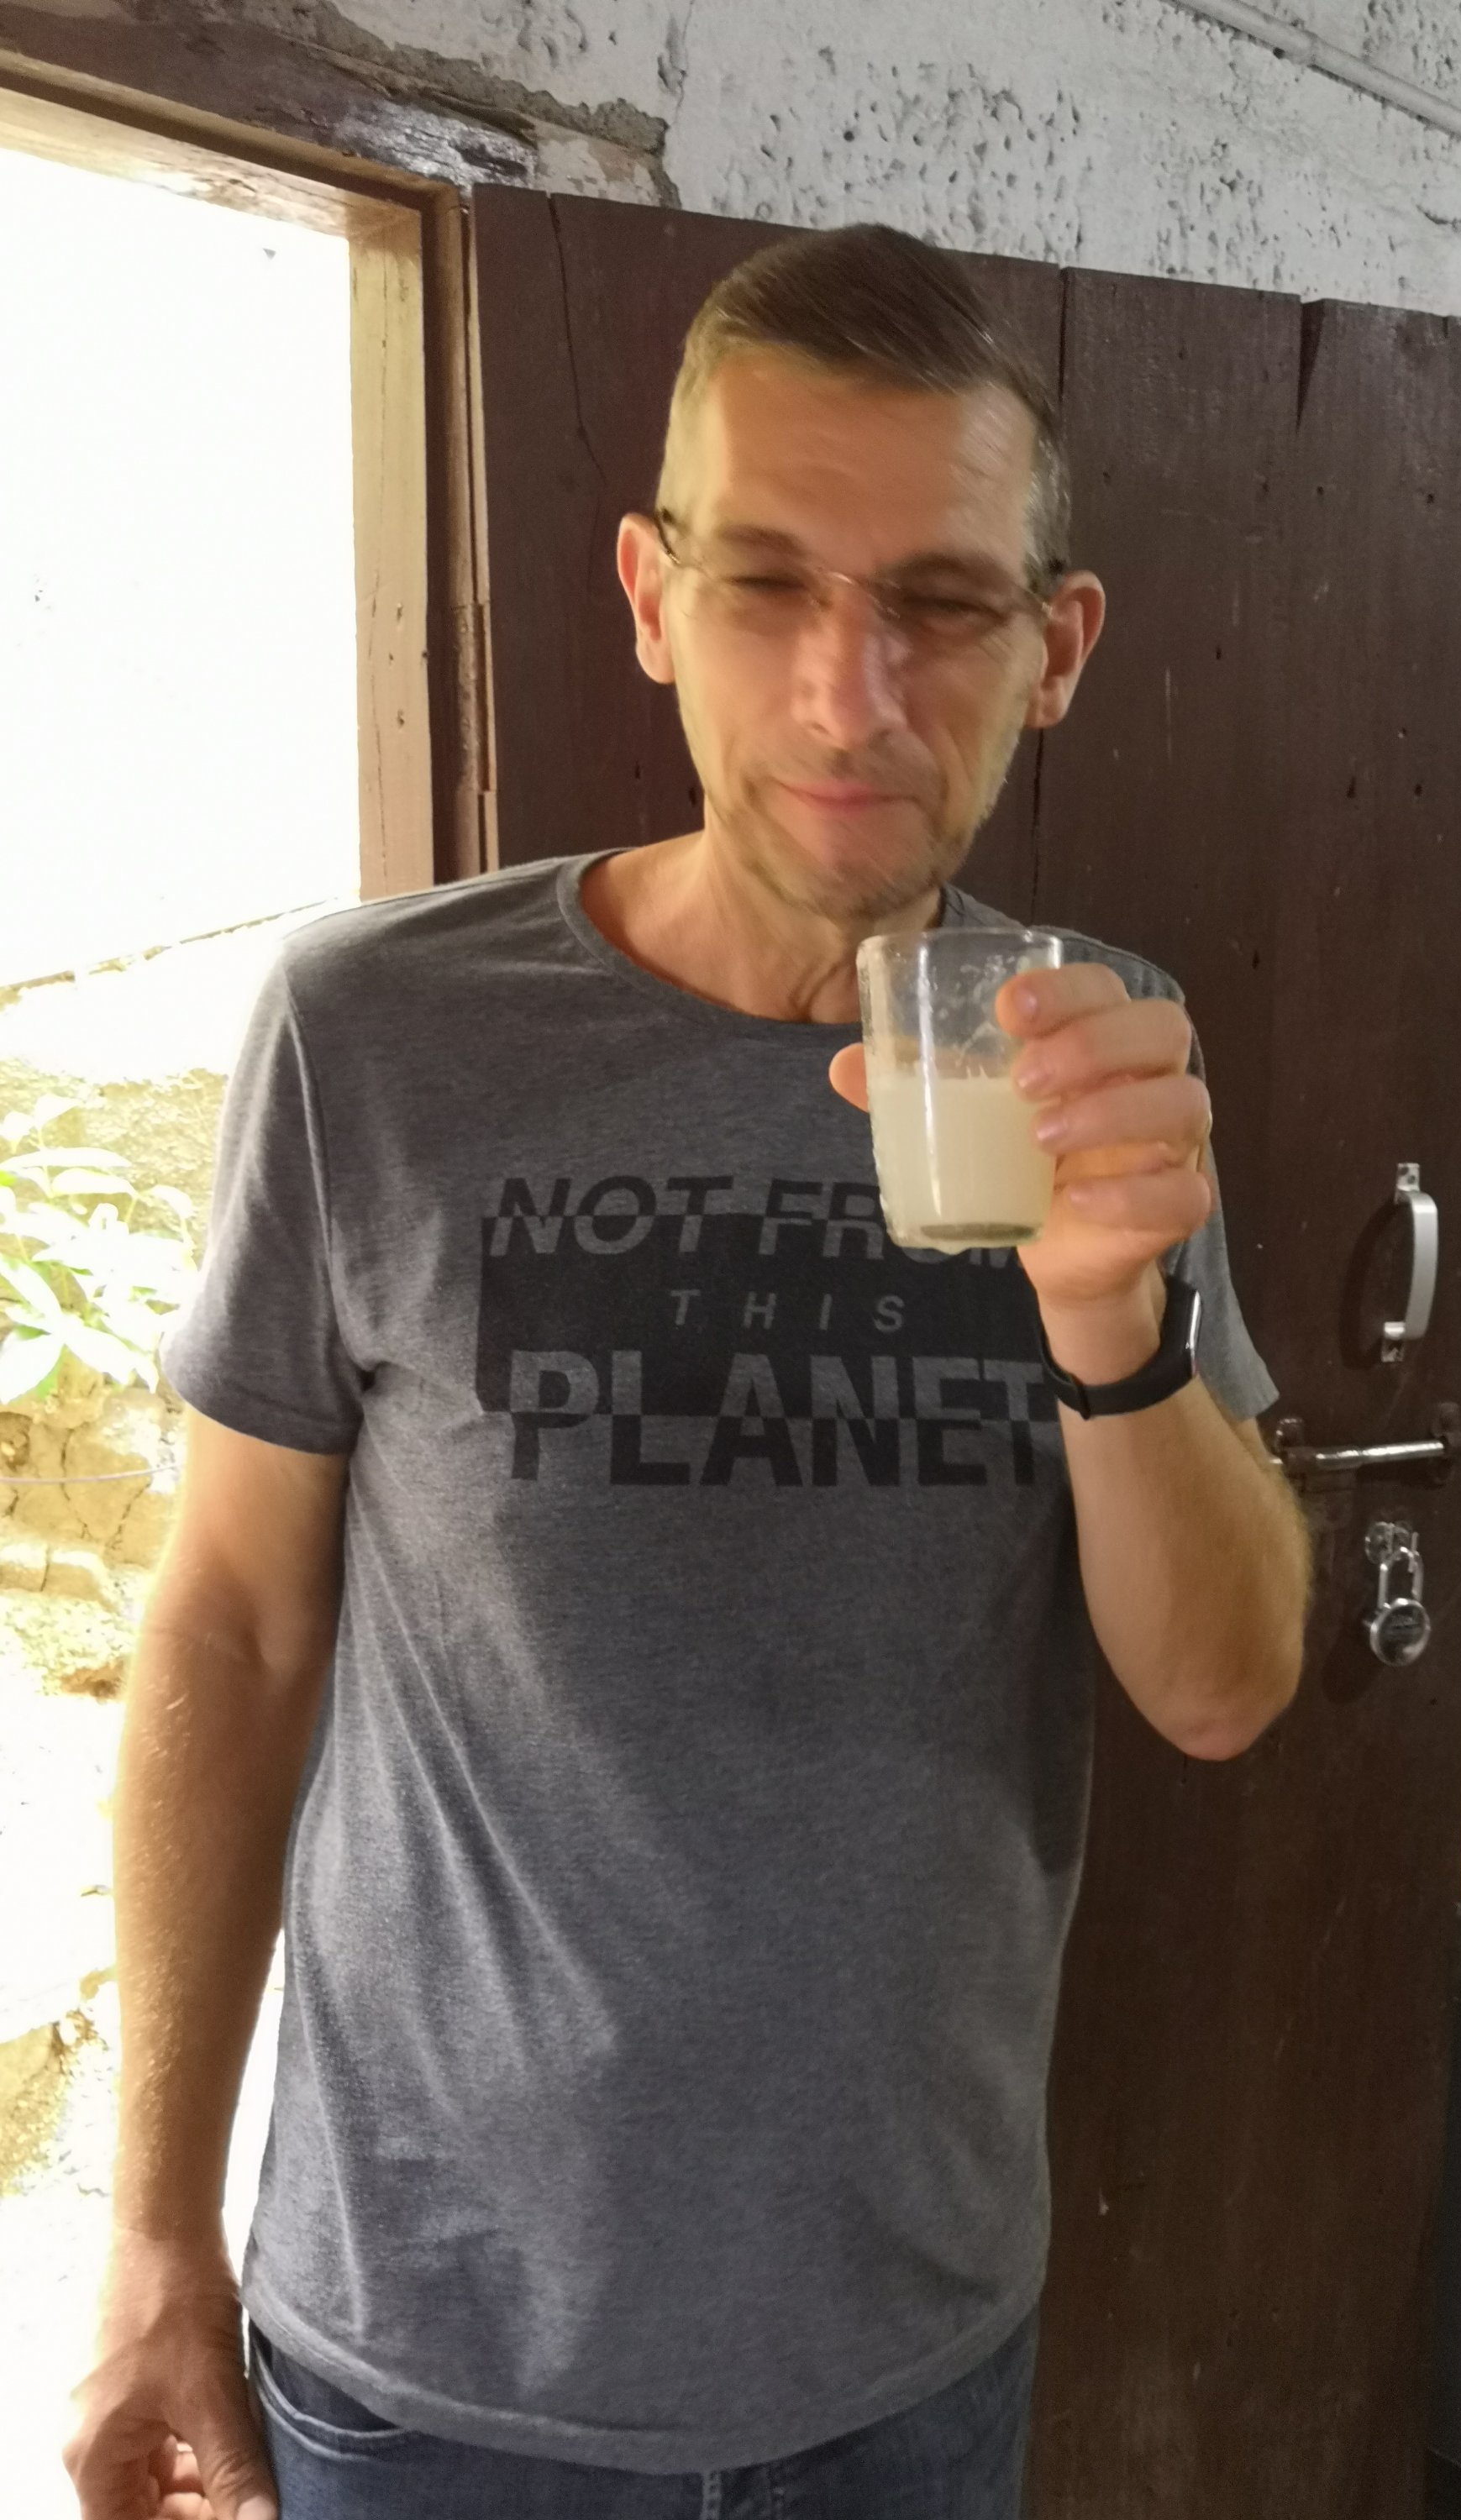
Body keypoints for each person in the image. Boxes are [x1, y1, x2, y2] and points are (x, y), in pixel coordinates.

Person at [66, 222, 1309, 2520]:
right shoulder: (377, 1035)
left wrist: (1109, 1327)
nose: (848, 693)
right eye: (764, 586)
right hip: (432, 2360)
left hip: (901, 2355)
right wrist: (154, 2240)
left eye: (940, 602)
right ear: (650, 600)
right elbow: (227, 1631)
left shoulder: (1091, 1055)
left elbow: (1224, 1689)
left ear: (1056, 649)